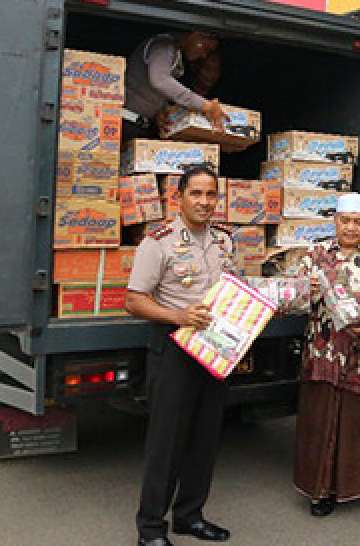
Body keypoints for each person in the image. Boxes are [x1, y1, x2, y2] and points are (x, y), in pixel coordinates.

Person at [126, 163, 236, 546]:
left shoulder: (224, 241)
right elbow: (134, 299)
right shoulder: (158, 241)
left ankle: (190, 516)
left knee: (204, 437)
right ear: (179, 197)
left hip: (215, 350)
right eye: (196, 194)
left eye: (210, 194)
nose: (204, 202)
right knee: (167, 442)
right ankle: (151, 528)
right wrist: (178, 316)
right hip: (173, 347)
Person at [294, 192, 360, 522]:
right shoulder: (315, 256)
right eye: (345, 221)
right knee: (320, 425)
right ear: (335, 221)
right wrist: (305, 290)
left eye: (358, 222)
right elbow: (291, 298)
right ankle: (321, 490)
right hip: (322, 356)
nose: (351, 228)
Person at [123, 30, 226, 140]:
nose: (203, 55)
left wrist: (160, 114)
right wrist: (205, 105)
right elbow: (160, 80)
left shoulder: (175, 55)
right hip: (125, 122)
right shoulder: (163, 47)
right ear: (195, 35)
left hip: (138, 126)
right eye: (206, 49)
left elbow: (155, 92)